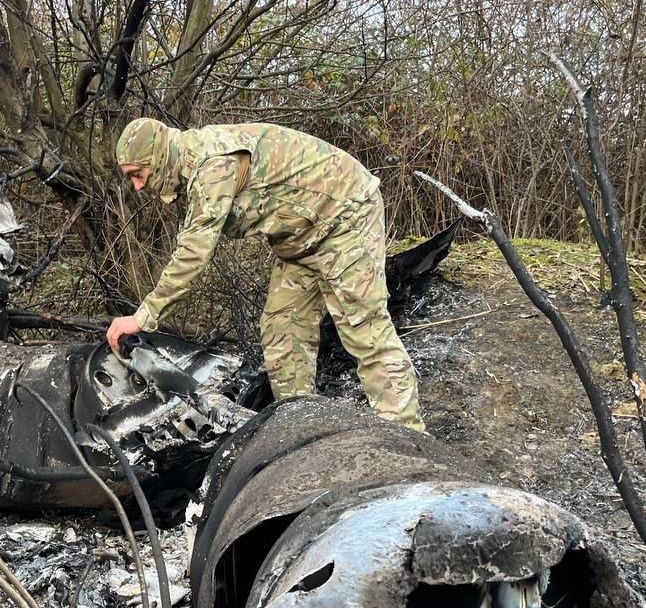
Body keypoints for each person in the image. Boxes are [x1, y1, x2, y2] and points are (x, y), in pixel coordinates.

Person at [106, 118, 425, 432]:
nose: (138, 185)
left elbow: (194, 252)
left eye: (138, 174)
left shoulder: (211, 164)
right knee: (281, 330)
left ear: (158, 158)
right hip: (300, 239)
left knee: (365, 330)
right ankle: (300, 434)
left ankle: (407, 440)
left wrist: (143, 316)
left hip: (345, 215)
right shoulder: (193, 163)